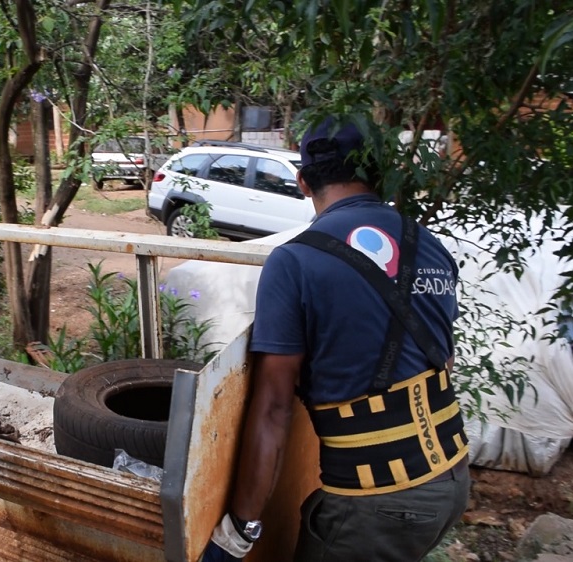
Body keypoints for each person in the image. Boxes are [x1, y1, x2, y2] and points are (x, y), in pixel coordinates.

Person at [201, 116, 470, 561]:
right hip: (451, 476)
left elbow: (274, 408)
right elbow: (444, 358)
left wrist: (239, 531)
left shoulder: (295, 261)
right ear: (376, 173)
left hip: (379, 498)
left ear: (303, 182)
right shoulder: (428, 244)